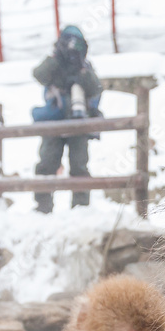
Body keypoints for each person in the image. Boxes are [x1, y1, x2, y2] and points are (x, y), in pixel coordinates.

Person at [31, 25, 103, 214]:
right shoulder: (54, 64)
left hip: (79, 122)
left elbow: (96, 88)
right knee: (47, 163)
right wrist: (56, 57)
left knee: (79, 165)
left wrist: (81, 71)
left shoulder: (84, 66)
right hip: (54, 121)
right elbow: (38, 75)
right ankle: (43, 206)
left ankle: (81, 208)